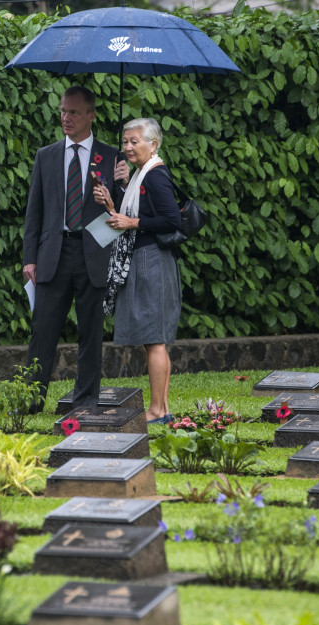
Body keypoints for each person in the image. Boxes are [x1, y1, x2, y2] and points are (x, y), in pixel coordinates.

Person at [22, 86, 127, 412]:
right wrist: (29, 259)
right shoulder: (47, 155)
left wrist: (122, 185)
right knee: (43, 332)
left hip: (93, 252)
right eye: (64, 111)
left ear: (91, 116)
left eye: (74, 113)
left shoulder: (112, 157)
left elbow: (122, 213)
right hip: (53, 254)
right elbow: (34, 211)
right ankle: (30, 401)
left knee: (90, 333)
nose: (66, 118)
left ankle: (85, 401)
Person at [93, 118, 182, 424]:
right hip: (145, 259)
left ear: (153, 145)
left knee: (154, 338)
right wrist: (111, 202)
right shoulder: (140, 175)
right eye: (126, 141)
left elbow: (172, 220)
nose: (128, 147)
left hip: (151, 262)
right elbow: (133, 214)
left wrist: (131, 223)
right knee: (153, 339)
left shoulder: (155, 176)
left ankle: (157, 410)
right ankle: (164, 409)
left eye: (135, 141)